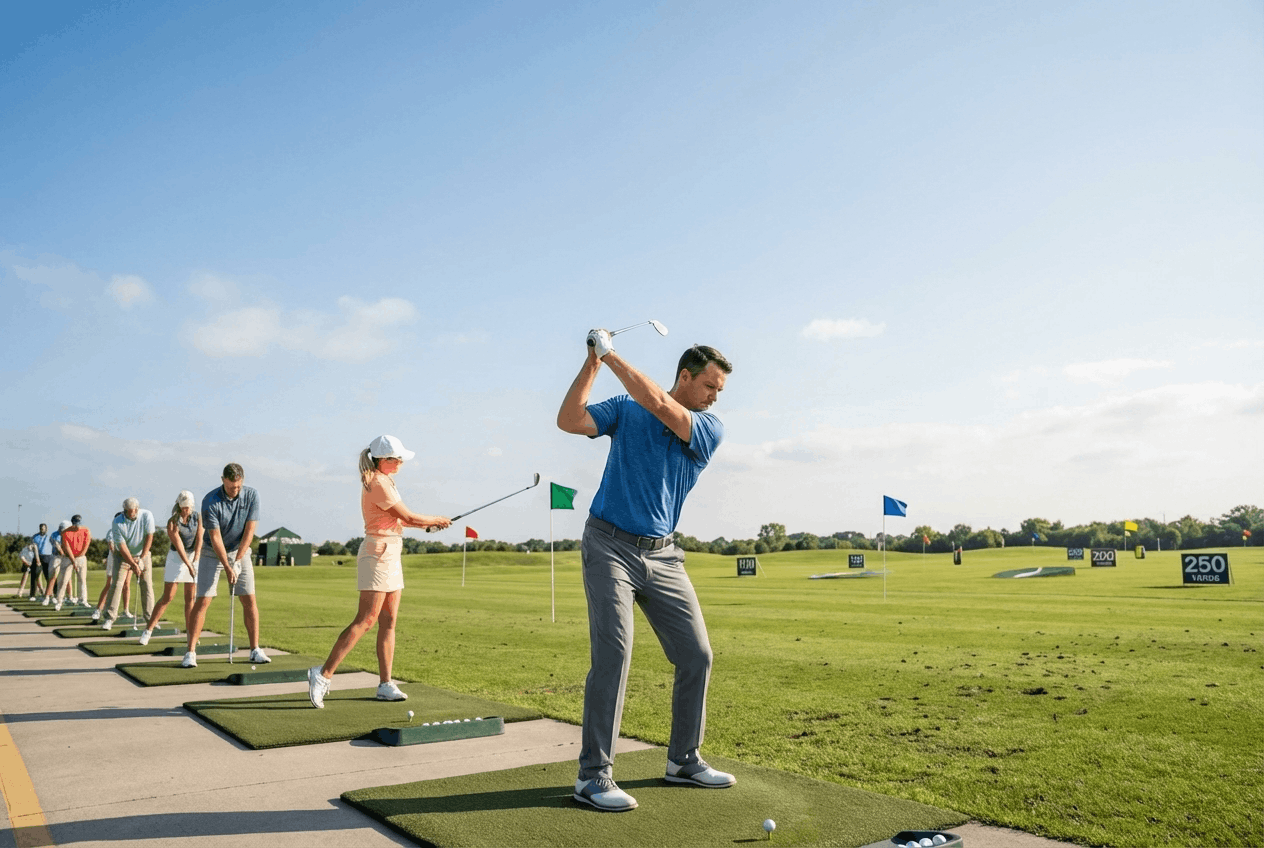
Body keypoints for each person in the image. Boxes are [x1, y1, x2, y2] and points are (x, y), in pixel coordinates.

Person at [557, 334, 735, 812]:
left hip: (664, 556)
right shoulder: (625, 409)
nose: (714, 397)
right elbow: (569, 420)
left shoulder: (707, 427)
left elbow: (658, 403)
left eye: (719, 390)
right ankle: (593, 776)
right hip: (608, 546)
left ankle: (684, 760)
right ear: (685, 376)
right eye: (710, 386)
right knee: (614, 654)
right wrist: (593, 362)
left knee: (697, 654)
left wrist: (611, 354)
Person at [307, 436, 451, 708]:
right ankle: (322, 674)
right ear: (384, 460)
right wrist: (435, 519)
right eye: (397, 459)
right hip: (377, 553)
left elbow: (399, 520)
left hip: (391, 551)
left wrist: (428, 525)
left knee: (389, 620)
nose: (401, 464)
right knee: (366, 619)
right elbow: (408, 516)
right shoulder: (378, 482)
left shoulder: (385, 481)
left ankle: (385, 684)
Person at [183, 463, 267, 668]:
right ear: (223, 480)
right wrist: (228, 568)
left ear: (242, 481)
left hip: (240, 550)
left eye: (237, 486)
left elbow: (250, 531)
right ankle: (190, 652)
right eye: (230, 487)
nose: (234, 490)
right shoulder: (210, 501)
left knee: (249, 598)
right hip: (212, 552)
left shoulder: (252, 495)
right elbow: (215, 537)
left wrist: (237, 560)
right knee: (203, 599)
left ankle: (255, 650)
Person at [138, 491, 202, 646]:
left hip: (193, 556)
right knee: (168, 596)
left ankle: (190, 635)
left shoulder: (198, 517)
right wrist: (189, 564)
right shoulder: (172, 522)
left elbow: (200, 537)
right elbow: (179, 546)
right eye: (184, 507)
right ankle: (148, 631)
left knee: (190, 598)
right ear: (179, 506)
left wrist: (196, 558)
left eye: (188, 507)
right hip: (176, 558)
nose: (186, 510)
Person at [102, 499, 156, 629]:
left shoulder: (147, 515)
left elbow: (149, 537)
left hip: (143, 553)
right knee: (117, 584)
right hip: (122, 555)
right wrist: (133, 564)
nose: (132, 514)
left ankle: (151, 620)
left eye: (135, 511)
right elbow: (122, 546)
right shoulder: (117, 522)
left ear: (138, 509)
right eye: (129, 512)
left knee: (147, 584)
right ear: (124, 510)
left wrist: (142, 558)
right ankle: (110, 618)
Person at [91, 513, 127, 622]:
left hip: (126, 558)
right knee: (110, 583)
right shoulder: (112, 531)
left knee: (125, 584)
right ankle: (98, 610)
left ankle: (124, 611)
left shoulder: (128, 531)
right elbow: (112, 547)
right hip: (115, 558)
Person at [54, 516, 92, 610]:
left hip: (81, 557)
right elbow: (67, 547)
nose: (78, 526)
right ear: (72, 524)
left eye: (79, 524)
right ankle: (59, 601)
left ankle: (83, 600)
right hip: (68, 558)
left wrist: (80, 556)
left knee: (82, 580)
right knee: (64, 580)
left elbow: (86, 544)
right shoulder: (65, 533)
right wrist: (73, 560)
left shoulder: (86, 531)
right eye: (76, 524)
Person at [30, 523, 54, 599]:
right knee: (34, 576)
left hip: (48, 557)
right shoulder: (35, 537)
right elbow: (33, 546)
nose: (42, 529)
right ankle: (32, 595)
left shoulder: (49, 537)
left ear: (46, 529)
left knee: (49, 576)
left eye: (44, 528)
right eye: (41, 528)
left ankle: (52, 593)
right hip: (37, 556)